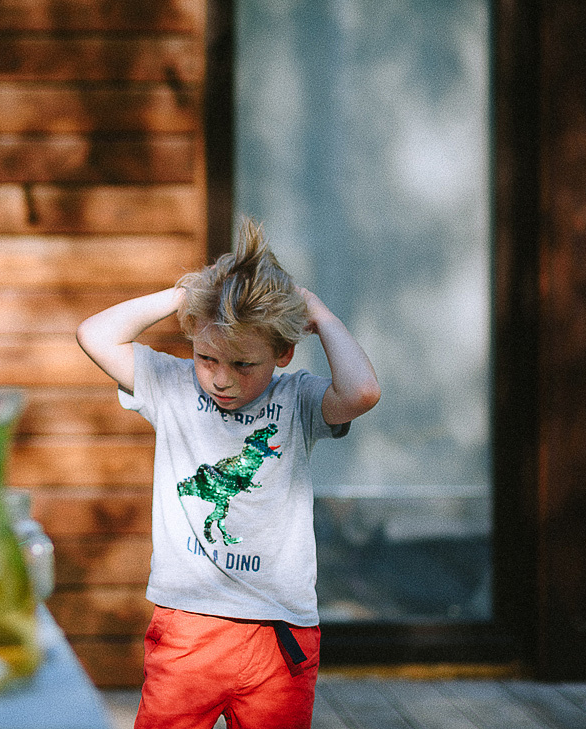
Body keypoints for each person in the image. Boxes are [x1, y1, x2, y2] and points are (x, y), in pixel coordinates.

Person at [76, 217, 381, 729]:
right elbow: (93, 333)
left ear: (282, 354)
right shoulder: (170, 386)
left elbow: (361, 393)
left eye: (244, 365)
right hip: (188, 626)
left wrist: (321, 315)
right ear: (193, 339)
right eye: (207, 357)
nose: (222, 378)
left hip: (280, 634)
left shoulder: (297, 398)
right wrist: (182, 297)